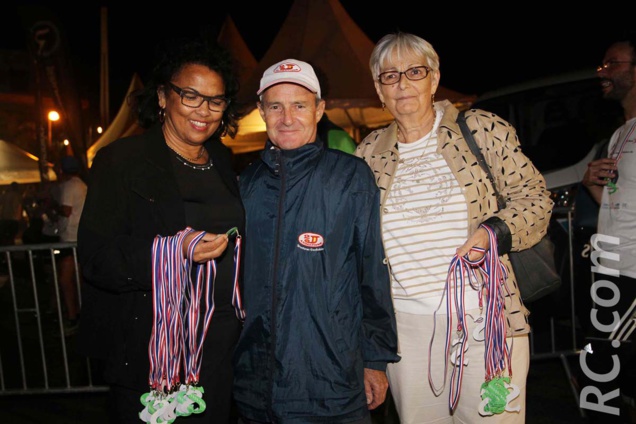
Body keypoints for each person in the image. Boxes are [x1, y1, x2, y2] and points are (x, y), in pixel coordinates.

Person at [355, 32, 553, 423]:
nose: (403, 83)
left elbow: (536, 200)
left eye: (414, 71)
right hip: (407, 332)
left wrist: (493, 232)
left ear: (433, 78)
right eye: (390, 76)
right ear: (379, 90)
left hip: (487, 320)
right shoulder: (367, 154)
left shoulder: (479, 129)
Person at [77, 35, 245, 424]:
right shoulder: (122, 160)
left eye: (215, 100)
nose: (203, 109)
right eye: (190, 95)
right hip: (152, 351)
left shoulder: (223, 159)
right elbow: (97, 259)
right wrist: (172, 251)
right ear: (162, 98)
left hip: (217, 347)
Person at [233, 58, 400, 424]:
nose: (287, 117)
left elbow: (372, 273)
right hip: (256, 387)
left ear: (319, 110)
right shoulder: (245, 186)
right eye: (275, 106)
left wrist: (374, 360)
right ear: (261, 111)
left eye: (299, 105)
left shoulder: (350, 177)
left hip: (332, 382)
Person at [580, 33, 636, 420]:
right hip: (608, 269)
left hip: (632, 272)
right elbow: (617, 205)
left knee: (613, 375)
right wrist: (591, 186)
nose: (602, 71)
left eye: (612, 63)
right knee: (602, 381)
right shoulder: (620, 134)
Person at [53, 155, 87, 336]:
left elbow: (66, 210)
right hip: (79, 237)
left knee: (65, 280)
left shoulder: (68, 187)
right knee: (79, 279)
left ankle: (73, 317)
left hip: (69, 238)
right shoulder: (82, 185)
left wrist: (53, 207)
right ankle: (81, 315)